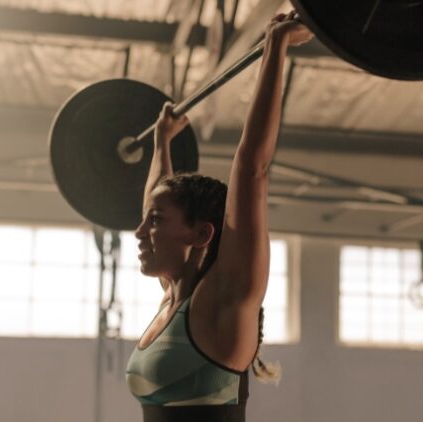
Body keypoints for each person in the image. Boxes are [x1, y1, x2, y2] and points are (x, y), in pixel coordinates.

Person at [125, 12, 313, 422]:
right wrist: (162, 143)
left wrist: (276, 47)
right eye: (147, 220)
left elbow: (252, 168)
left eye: (155, 222)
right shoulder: (173, 295)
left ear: (201, 233)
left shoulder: (224, 297)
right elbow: (152, 206)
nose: (140, 231)